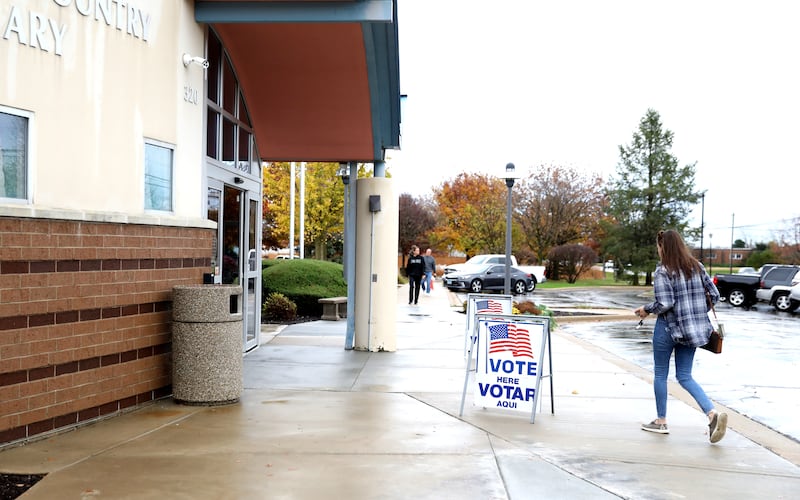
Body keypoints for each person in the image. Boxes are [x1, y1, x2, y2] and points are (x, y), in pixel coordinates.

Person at [633, 229, 728, 443]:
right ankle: (712, 415)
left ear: (662, 247)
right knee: (685, 376)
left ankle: (661, 421)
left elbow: (665, 303)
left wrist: (646, 309)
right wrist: (693, 313)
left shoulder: (663, 270)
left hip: (668, 328)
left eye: (658, 247)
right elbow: (715, 295)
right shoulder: (697, 266)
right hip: (693, 331)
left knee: (660, 374)